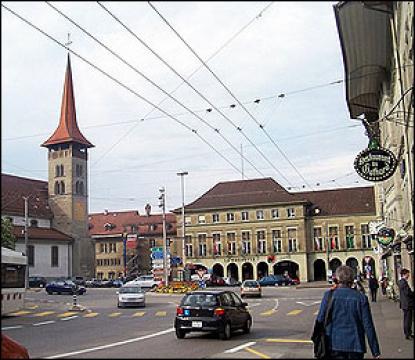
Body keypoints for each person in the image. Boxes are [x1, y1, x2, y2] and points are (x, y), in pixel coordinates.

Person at [316, 265, 380, 359]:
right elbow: (368, 325)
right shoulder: (361, 298)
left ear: (337, 278)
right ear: (352, 279)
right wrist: (375, 351)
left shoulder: (329, 295)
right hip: (356, 345)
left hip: (333, 343)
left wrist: (317, 342)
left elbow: (320, 320)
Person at [398, 268, 414, 340]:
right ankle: (408, 334)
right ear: (404, 274)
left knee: (406, 319)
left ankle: (408, 333)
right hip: (408, 303)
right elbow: (408, 293)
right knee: (408, 319)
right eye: (408, 274)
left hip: (404, 303)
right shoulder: (404, 283)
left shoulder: (401, 282)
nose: (409, 275)